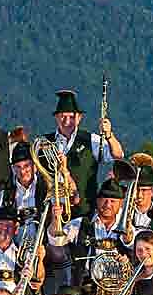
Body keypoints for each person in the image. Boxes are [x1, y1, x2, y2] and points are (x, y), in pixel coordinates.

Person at [48, 89, 123, 217]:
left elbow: (117, 155)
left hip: (85, 212)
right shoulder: (46, 142)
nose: (67, 121)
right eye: (63, 116)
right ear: (56, 117)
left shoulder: (91, 139)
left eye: (71, 117)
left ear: (79, 118)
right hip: (53, 214)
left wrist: (109, 134)